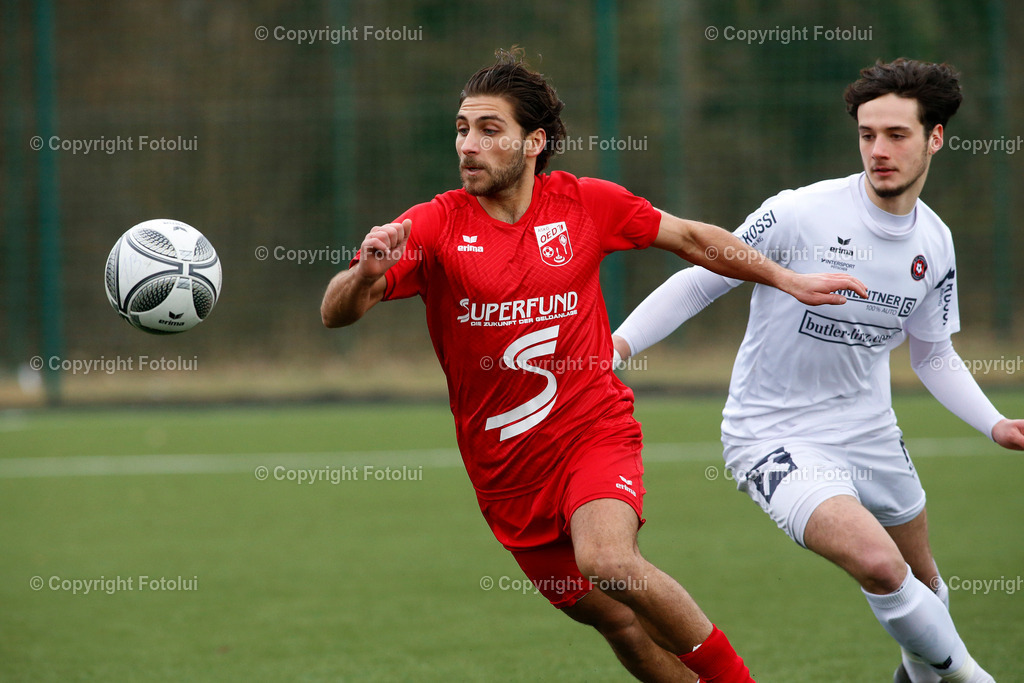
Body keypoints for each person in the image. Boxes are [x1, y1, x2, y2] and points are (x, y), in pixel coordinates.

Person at [322, 47, 866, 683]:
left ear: (534, 142)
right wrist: (365, 273)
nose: (468, 145)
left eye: (490, 130)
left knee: (608, 561)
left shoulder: (586, 204)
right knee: (618, 622)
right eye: (462, 129)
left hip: (592, 430)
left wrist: (786, 278)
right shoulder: (435, 225)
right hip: (504, 474)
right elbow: (336, 313)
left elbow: (692, 238)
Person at [613, 58, 1023, 683]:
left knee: (927, 587)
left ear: (935, 138)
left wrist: (994, 423)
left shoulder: (935, 243)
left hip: (871, 432)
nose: (878, 150)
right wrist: (618, 346)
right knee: (880, 567)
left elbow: (932, 352)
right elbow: (700, 281)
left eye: (897, 135)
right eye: (867, 134)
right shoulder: (799, 213)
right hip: (773, 435)